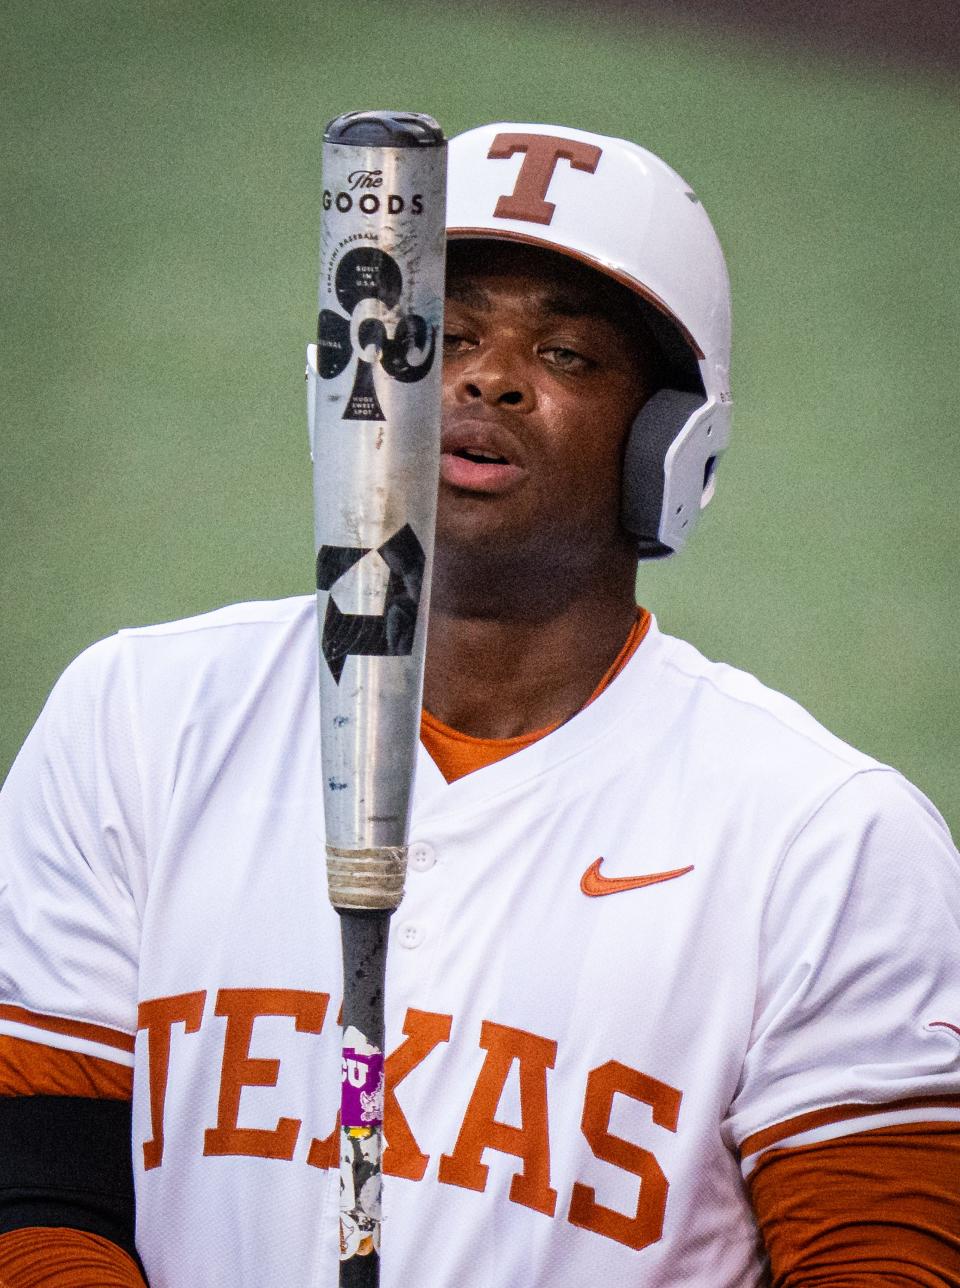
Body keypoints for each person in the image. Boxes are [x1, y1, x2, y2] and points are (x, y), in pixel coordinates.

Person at [1, 121, 959, 1287]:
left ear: (669, 444)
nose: (485, 376)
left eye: (566, 355)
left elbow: (884, 1261)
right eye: (438, 333)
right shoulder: (141, 721)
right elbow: (33, 1182)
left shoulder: (829, 836)